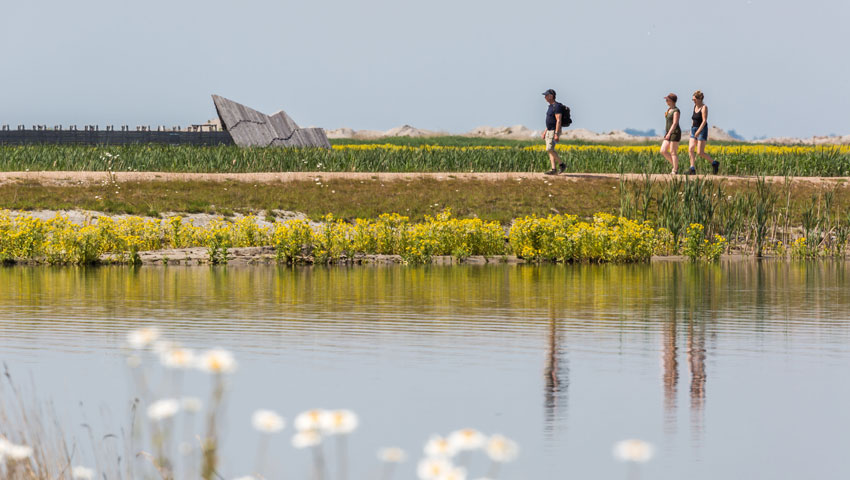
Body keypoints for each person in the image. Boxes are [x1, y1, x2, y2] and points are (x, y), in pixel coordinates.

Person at [687, 90, 719, 175]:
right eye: (693, 99)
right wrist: (692, 130)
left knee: (700, 152)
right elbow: (693, 119)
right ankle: (692, 168)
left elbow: (704, 121)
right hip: (693, 129)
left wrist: (698, 131)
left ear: (700, 99)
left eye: (695, 99)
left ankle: (714, 163)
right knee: (690, 149)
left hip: (702, 130)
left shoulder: (704, 107)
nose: (693, 101)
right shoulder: (695, 107)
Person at [541, 89, 568, 175]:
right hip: (549, 130)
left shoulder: (557, 106)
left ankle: (561, 164)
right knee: (550, 150)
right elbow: (550, 120)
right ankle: (553, 169)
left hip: (554, 131)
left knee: (549, 149)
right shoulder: (550, 106)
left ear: (551, 96)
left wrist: (556, 133)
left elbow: (558, 121)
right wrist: (545, 132)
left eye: (546, 95)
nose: (545, 97)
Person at [660, 93, 681, 174]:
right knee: (663, 150)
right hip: (668, 132)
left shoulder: (676, 111)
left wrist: (669, 133)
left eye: (667, 100)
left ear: (672, 101)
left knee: (673, 151)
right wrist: (667, 133)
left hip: (674, 133)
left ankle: (675, 170)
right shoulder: (668, 110)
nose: (666, 101)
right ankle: (675, 165)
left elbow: (675, 123)